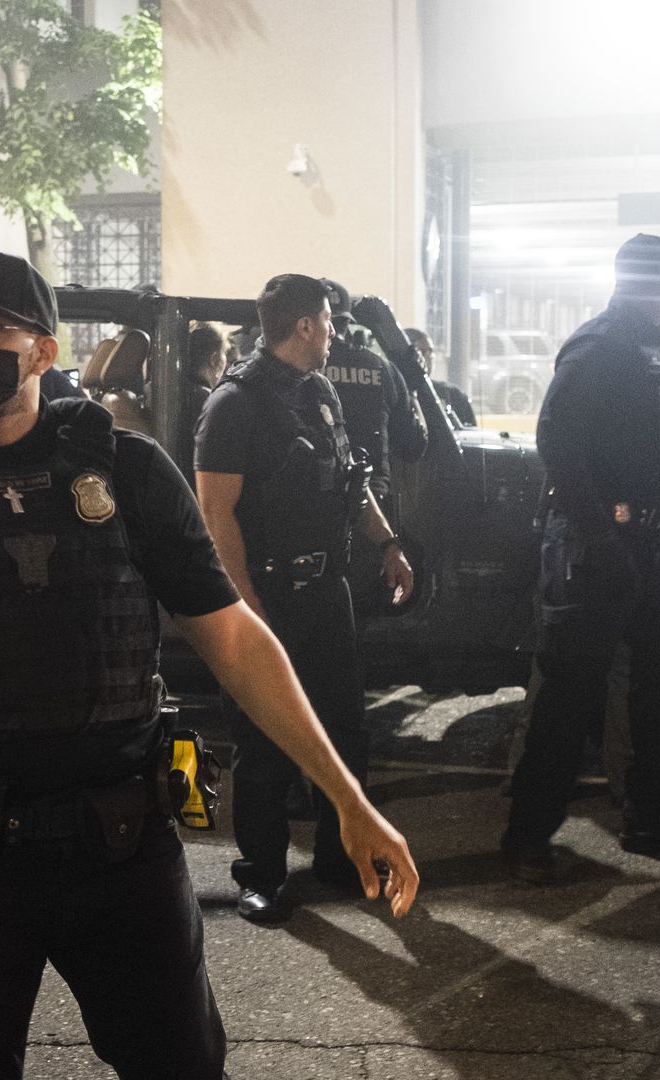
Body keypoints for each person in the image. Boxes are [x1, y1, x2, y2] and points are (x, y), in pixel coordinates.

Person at [0, 250, 418, 1080]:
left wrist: (345, 799)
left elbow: (238, 642)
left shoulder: (131, 475)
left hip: (122, 848)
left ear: (43, 350)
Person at [503, 234, 660, 881]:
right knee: (570, 695)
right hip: (601, 543)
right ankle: (526, 837)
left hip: (656, 545)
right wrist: (602, 538)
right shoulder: (599, 345)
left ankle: (655, 817)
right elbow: (559, 443)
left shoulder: (654, 346)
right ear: (645, 282)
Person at [196, 273, 418, 923]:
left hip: (326, 593)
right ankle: (261, 876)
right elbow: (217, 515)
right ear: (303, 326)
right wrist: (246, 610)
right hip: (267, 596)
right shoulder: (234, 403)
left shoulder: (319, 391)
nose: (335, 332)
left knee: (344, 728)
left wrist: (387, 544)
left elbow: (353, 482)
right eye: (328, 321)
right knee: (263, 745)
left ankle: (336, 857)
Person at [320, 279, 427, 502]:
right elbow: (413, 445)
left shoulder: (301, 369)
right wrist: (414, 391)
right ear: (346, 324)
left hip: (316, 502)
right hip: (373, 500)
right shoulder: (382, 369)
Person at [405, 327, 477, 428]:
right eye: (421, 351)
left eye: (431, 351)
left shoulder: (453, 395)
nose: (428, 356)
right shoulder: (397, 394)